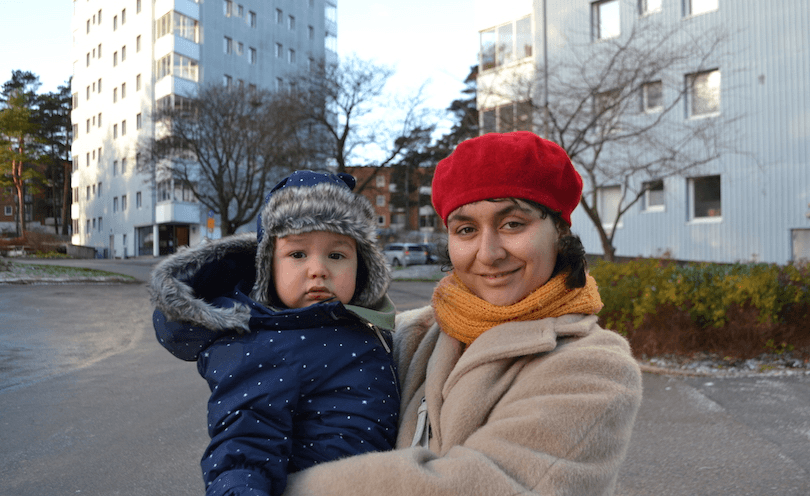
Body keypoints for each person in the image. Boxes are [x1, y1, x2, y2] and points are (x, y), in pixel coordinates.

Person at [278, 131, 643, 495]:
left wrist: (270, 488)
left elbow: (480, 484)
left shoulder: (596, 367)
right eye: (466, 229)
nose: (488, 253)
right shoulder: (409, 335)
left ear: (560, 230)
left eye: (512, 223)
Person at [150, 171, 401, 496]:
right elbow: (244, 444)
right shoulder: (266, 342)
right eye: (298, 254)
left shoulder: (360, 323)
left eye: (336, 255)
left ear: (361, 265)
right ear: (269, 266)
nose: (318, 269)